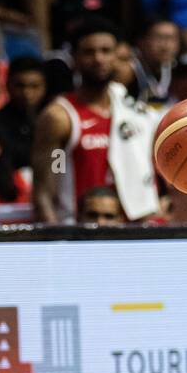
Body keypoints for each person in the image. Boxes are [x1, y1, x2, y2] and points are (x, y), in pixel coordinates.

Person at [31, 20, 119, 224]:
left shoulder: (130, 112)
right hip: (74, 232)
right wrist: (59, 241)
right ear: (74, 59)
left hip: (123, 231)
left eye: (106, 51)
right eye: (89, 52)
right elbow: (43, 193)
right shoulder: (59, 117)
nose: (98, 59)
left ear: (118, 57)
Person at [0, 57, 47, 170]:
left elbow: (60, 163)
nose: (27, 93)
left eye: (34, 86)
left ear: (44, 87)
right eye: (20, 86)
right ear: (7, 85)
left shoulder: (53, 120)